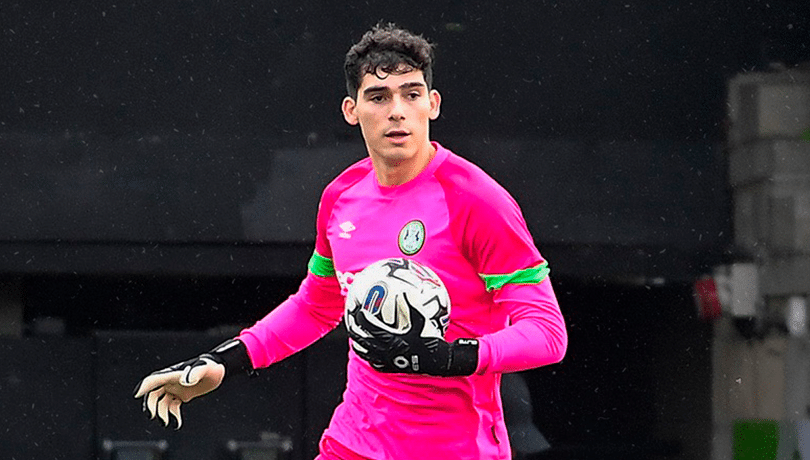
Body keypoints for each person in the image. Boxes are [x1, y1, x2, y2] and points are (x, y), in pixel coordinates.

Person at [134, 22, 568, 460]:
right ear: (351, 109)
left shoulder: (478, 200)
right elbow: (317, 305)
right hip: (353, 443)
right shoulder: (341, 196)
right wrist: (227, 361)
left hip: (452, 449)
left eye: (411, 94)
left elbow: (548, 334)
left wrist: (450, 356)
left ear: (432, 105)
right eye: (379, 97)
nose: (397, 110)